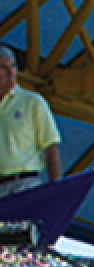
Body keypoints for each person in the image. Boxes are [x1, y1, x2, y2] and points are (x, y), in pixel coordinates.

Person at [0, 48, 62, 198]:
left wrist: (57, 192)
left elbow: (51, 147)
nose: (10, 73)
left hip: (25, 184)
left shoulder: (32, 102)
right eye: (3, 68)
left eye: (13, 67)